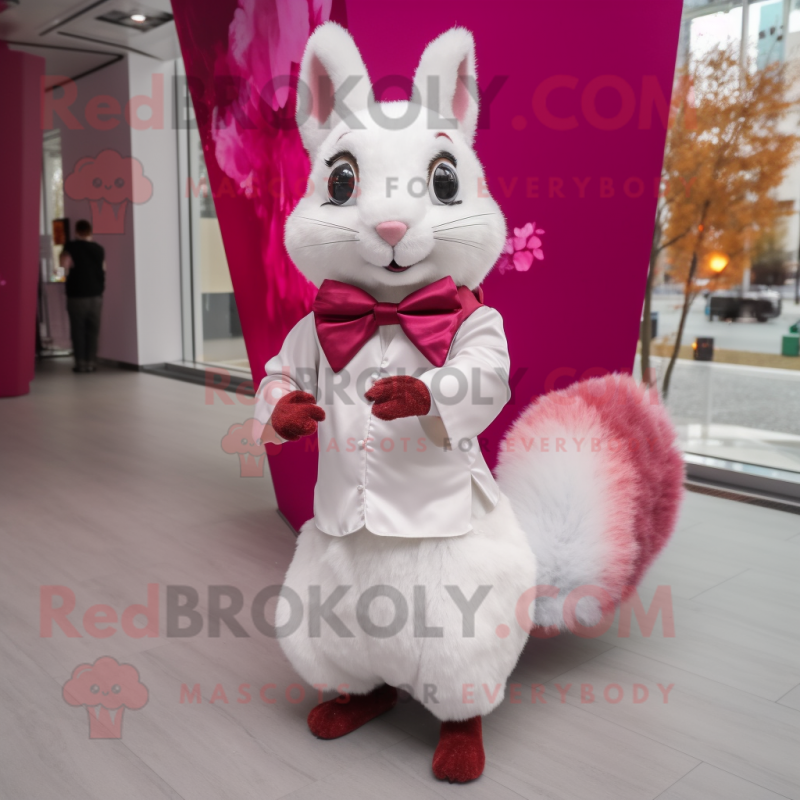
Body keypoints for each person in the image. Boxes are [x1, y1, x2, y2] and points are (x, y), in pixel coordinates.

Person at [59, 219, 106, 373]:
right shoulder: (99, 249)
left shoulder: (70, 247)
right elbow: (104, 269)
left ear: (76, 232)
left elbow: (63, 267)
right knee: (93, 331)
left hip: (76, 296)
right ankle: (91, 362)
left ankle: (80, 363)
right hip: (96, 296)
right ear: (90, 232)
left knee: (78, 330)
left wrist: (59, 276)